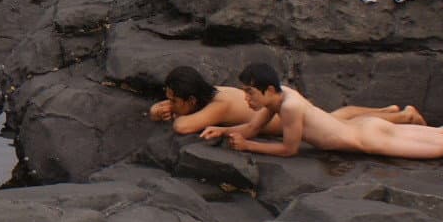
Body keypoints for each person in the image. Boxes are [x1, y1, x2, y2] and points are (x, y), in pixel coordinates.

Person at [200, 63, 443, 160]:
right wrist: (226, 131)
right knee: (442, 132)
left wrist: (248, 147)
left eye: (250, 93)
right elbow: (252, 128)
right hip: (366, 127)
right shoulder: (282, 97)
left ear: (268, 91)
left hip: (369, 139)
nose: (246, 100)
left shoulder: (288, 107)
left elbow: (289, 150)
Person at [149, 65, 424, 135]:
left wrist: (174, 114)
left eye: (174, 100)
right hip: (278, 111)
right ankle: (388, 110)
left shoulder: (219, 106)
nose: (170, 104)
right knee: (336, 115)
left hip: (284, 120)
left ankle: (403, 117)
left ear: (191, 99)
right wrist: (160, 108)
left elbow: (183, 127)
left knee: (340, 123)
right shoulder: (211, 93)